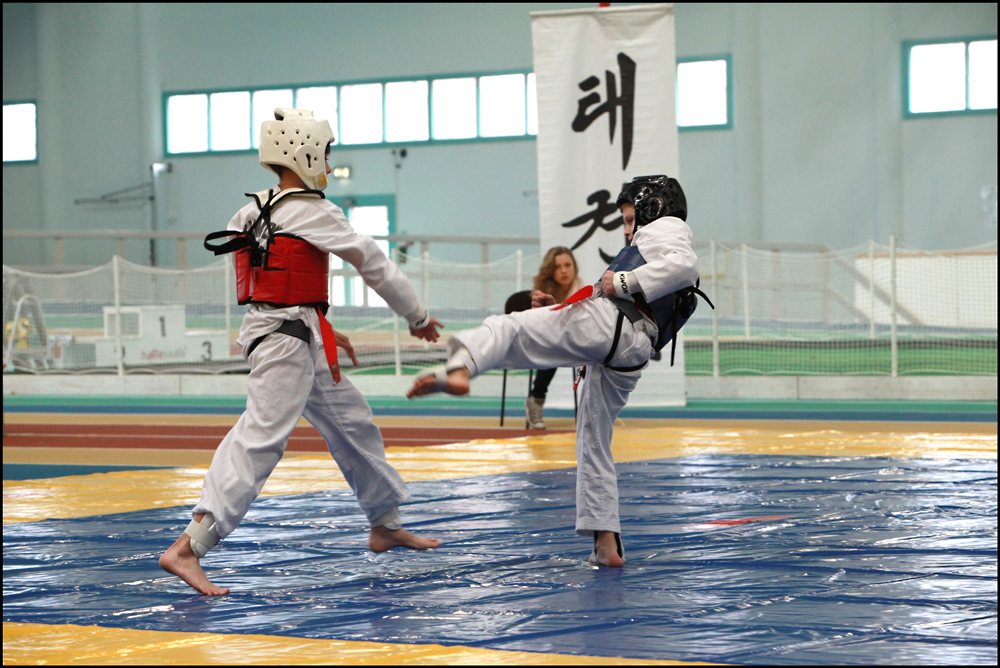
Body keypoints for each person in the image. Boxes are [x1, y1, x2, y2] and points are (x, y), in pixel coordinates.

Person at [160, 108, 443, 596]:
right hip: (286, 342)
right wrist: (416, 315)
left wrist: (318, 322)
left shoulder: (252, 210)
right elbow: (371, 261)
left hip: (292, 332)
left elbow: (273, 285)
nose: (329, 166)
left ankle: (383, 522)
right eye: (327, 154)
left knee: (352, 421)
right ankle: (190, 546)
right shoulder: (312, 210)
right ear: (304, 151)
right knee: (261, 435)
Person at [407, 175, 707, 568]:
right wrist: (561, 307)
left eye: (632, 218)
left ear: (654, 209)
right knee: (593, 439)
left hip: (614, 325)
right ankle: (606, 542)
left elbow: (684, 267)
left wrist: (618, 281)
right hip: (632, 350)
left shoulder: (668, 228)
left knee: (510, 326)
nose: (629, 229)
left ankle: (462, 367)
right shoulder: (652, 243)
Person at [525, 247, 585, 429]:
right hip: (544, 342)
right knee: (553, 347)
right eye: (558, 267)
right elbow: (540, 328)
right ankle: (536, 400)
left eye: (568, 265)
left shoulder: (583, 288)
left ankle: (593, 407)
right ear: (551, 270)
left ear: (574, 266)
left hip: (573, 340)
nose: (564, 270)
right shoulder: (542, 292)